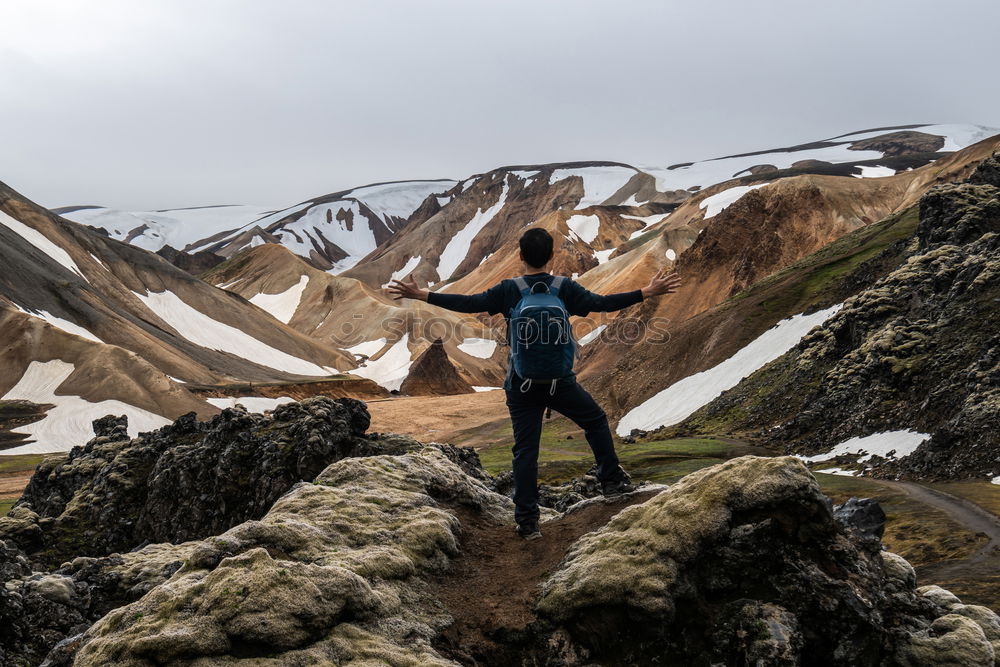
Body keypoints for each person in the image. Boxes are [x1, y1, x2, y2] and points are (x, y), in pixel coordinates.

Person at [387, 228, 681, 540]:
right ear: (552, 257)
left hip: (521, 385)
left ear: (520, 256)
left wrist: (422, 295)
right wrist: (647, 292)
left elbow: (470, 303)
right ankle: (611, 481)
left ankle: (528, 522)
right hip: (561, 383)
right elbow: (602, 303)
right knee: (594, 420)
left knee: (526, 450)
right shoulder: (564, 287)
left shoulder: (508, 290)